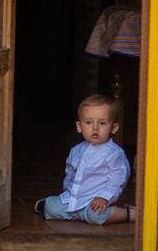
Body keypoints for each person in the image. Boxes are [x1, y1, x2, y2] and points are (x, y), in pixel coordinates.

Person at [34, 94, 134, 225]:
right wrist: (68, 191)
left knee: (96, 216)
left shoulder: (114, 153)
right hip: (74, 199)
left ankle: (129, 214)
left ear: (114, 128)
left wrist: (104, 197)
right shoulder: (76, 150)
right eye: (88, 122)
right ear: (79, 126)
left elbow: (118, 179)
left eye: (102, 123)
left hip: (96, 202)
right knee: (52, 207)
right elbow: (70, 172)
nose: (95, 127)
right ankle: (55, 207)